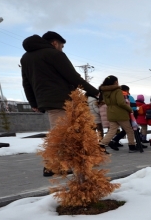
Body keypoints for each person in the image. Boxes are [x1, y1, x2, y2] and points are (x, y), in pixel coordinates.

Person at [20, 31, 99, 176]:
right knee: (60, 133)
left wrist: (33, 102)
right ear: (55, 43)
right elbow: (73, 76)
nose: (62, 49)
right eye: (62, 46)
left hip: (45, 100)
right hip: (61, 99)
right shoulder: (54, 54)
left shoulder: (26, 58)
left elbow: (26, 82)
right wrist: (95, 92)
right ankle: (52, 166)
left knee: (65, 132)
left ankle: (66, 163)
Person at [98, 76, 139, 153]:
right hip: (120, 113)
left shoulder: (104, 91)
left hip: (110, 112)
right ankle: (132, 146)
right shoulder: (117, 90)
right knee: (129, 130)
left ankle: (102, 145)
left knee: (112, 130)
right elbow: (121, 103)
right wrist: (129, 109)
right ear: (115, 82)